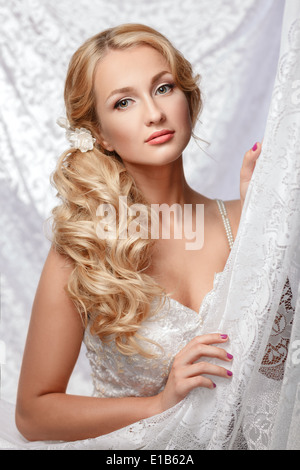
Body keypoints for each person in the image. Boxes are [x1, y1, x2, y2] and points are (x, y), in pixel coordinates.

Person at [13, 24, 261, 444]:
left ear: (187, 98)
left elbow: (280, 367)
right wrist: (159, 404)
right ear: (100, 135)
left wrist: (268, 233)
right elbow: (34, 414)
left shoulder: (247, 220)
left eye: (163, 88)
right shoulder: (85, 249)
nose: (154, 113)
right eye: (124, 102)